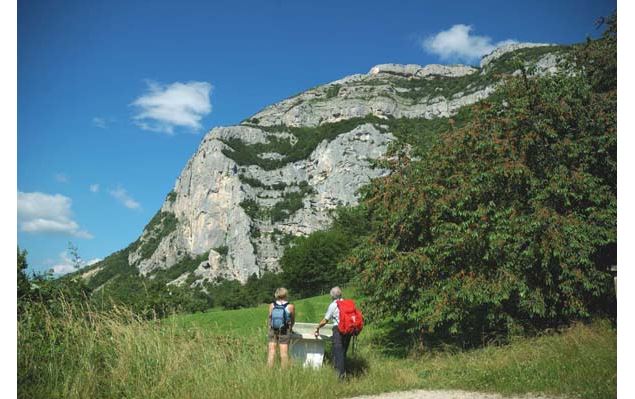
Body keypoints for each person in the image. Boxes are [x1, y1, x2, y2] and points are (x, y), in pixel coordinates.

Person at [314, 286, 350, 379]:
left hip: (338, 330)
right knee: (343, 352)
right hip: (348, 330)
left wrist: (317, 327)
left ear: (332, 296)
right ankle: (342, 372)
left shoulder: (334, 305)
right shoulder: (346, 303)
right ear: (341, 294)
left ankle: (340, 377)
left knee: (338, 353)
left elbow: (325, 320)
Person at [267, 287, 295, 368]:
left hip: (273, 329)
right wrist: (290, 328)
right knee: (284, 353)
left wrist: (270, 328)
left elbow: (270, 317)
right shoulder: (290, 306)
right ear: (286, 294)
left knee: (271, 352)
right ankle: (283, 374)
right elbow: (292, 319)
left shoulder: (272, 305)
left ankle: (268, 372)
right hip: (285, 330)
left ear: (277, 294)